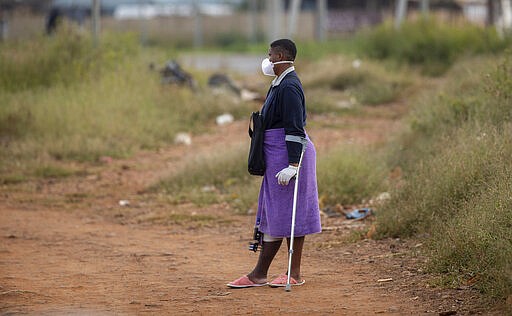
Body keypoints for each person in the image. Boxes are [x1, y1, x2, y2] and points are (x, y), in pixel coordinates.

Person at [227, 39, 322, 288]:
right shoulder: (279, 84)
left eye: (270, 55)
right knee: (275, 213)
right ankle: (259, 273)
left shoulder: (289, 86)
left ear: (279, 55)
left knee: (291, 213)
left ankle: (293, 273)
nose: (267, 59)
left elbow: (294, 128)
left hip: (290, 154)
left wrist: (293, 164)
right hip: (277, 154)